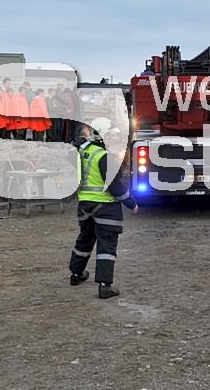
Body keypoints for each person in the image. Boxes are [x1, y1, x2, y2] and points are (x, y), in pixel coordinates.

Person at [69, 117, 138, 299]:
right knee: (107, 245)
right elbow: (115, 187)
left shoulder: (83, 152)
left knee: (85, 239)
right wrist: (131, 204)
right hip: (105, 208)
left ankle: (76, 273)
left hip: (85, 205)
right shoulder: (103, 157)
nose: (113, 139)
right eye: (109, 135)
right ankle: (104, 286)